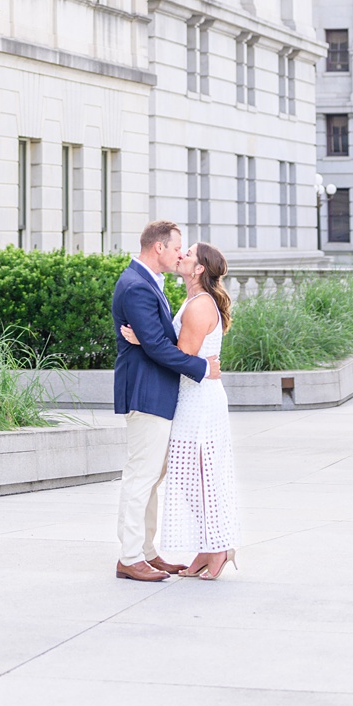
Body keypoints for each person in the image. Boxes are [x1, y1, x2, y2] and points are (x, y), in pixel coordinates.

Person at [109, 218, 219, 581]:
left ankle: (146, 551)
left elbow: (154, 340)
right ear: (159, 247)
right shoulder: (136, 285)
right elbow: (156, 346)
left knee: (152, 477)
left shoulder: (147, 281)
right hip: (146, 393)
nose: (179, 254)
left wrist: (150, 341)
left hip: (158, 392)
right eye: (176, 248)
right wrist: (202, 368)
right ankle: (129, 557)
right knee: (140, 477)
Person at [134, 240, 241, 579]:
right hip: (193, 397)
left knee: (202, 478)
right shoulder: (194, 299)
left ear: (198, 270)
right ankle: (209, 548)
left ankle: (219, 549)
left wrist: (144, 339)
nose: (181, 254)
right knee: (192, 480)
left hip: (199, 401)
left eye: (189, 253)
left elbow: (182, 356)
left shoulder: (199, 306)